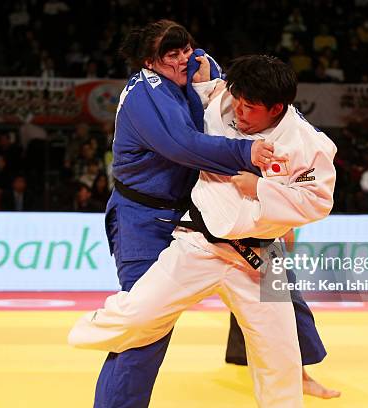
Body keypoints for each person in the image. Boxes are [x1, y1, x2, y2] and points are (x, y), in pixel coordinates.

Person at [69, 54, 338, 407]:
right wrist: (202, 77)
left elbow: (317, 202)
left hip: (261, 256)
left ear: (276, 108)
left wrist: (259, 188)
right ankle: (82, 332)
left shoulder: (308, 144)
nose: (240, 112)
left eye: (251, 108)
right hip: (199, 243)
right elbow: (207, 90)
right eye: (238, 102)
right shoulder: (222, 103)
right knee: (140, 313)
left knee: (281, 355)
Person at [87, 20, 276, 408]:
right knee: (146, 328)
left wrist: (212, 78)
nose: (183, 59)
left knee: (275, 286)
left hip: (194, 216)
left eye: (185, 48)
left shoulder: (197, 65)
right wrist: (246, 155)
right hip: (143, 219)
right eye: (171, 54)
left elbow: (229, 103)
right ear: (149, 62)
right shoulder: (145, 93)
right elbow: (182, 144)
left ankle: (301, 367)